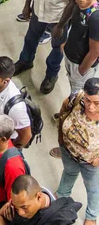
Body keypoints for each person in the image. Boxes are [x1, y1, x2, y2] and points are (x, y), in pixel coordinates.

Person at [53, 78, 99, 225]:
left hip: (90, 162)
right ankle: (62, 194)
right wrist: (61, 137)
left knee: (92, 189)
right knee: (69, 172)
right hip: (68, 151)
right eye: (88, 100)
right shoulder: (76, 97)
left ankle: (91, 215)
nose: (90, 107)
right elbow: (64, 109)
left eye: (97, 103)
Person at [59, 0, 99, 94]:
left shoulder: (95, 17)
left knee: (77, 97)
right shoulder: (78, 5)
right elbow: (75, 27)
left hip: (81, 65)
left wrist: (81, 71)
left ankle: (70, 112)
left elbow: (95, 53)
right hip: (71, 56)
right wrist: (66, 44)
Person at [0, 174, 82, 225]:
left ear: (39, 197)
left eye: (24, 207)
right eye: (17, 207)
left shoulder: (58, 218)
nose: (20, 213)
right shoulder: (18, 206)